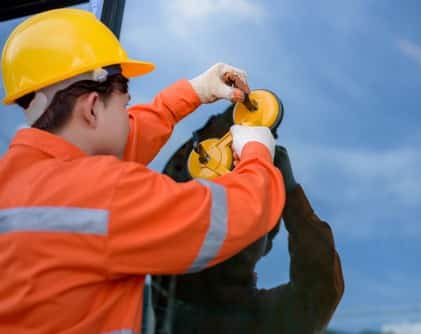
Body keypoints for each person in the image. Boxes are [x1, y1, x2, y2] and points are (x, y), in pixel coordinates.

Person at [0, 8, 285, 334]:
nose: (128, 115)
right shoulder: (107, 195)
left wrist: (189, 95)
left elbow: (105, 149)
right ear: (92, 106)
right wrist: (257, 151)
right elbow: (230, 215)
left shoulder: (16, 179)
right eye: (125, 105)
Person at [152, 107, 345, 334]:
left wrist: (229, 124)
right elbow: (320, 289)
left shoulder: (157, 306)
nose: (231, 228)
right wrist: (290, 195)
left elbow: (319, 289)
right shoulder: (267, 320)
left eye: (246, 217)